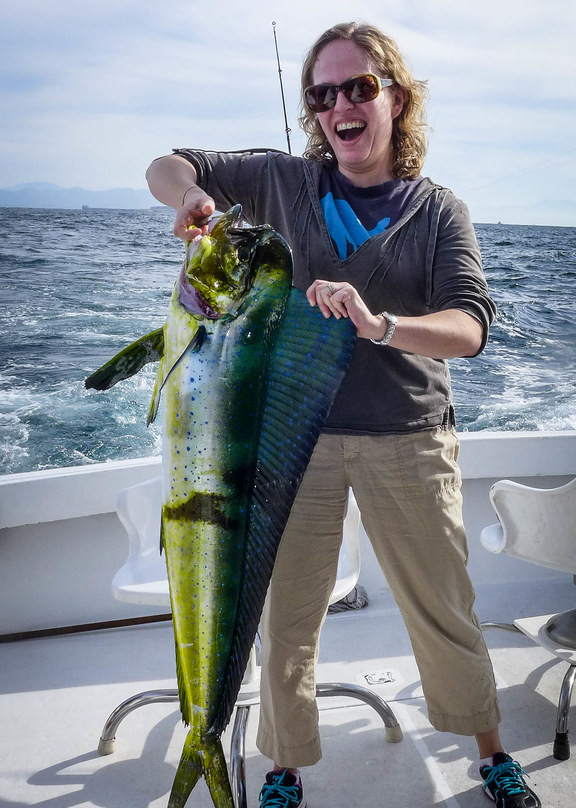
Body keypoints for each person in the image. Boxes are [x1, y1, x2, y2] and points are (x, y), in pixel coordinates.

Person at [146, 21, 541, 808]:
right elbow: (167, 164)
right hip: (293, 447)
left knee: (444, 611)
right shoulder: (282, 180)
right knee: (285, 619)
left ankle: (492, 754)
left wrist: (382, 325)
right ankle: (284, 771)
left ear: (397, 97)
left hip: (409, 437)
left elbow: (470, 326)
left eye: (359, 86)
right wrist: (191, 193)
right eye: (323, 95)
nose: (340, 106)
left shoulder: (437, 211)